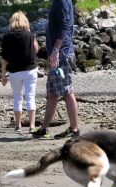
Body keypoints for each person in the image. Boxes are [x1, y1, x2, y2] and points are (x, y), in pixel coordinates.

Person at [31, 0, 80, 139]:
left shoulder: (62, 1)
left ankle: (74, 129)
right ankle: (44, 128)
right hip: (58, 54)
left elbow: (65, 26)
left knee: (67, 91)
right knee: (52, 93)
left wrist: (56, 51)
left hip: (62, 55)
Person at [1, 11, 39, 133]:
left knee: (17, 97)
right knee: (30, 97)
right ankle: (32, 125)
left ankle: (18, 125)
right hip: (30, 70)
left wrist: (3, 75)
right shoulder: (30, 35)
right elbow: (36, 50)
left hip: (14, 71)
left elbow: (4, 58)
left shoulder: (7, 37)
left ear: (12, 22)